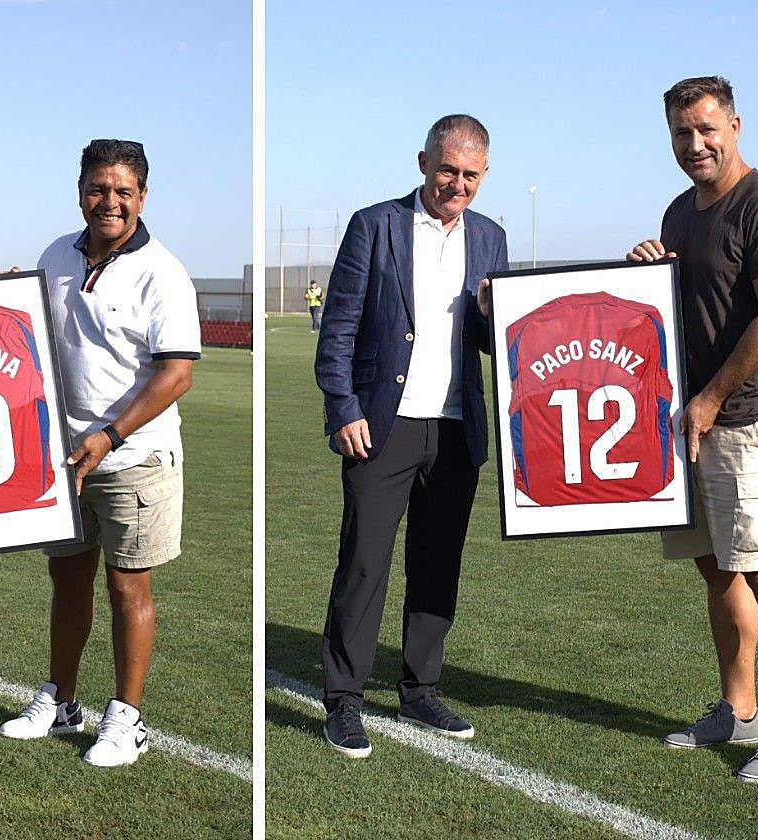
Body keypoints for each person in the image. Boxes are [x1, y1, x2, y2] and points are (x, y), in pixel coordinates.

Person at [628, 76, 758, 783]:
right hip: (695, 421)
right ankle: (741, 712)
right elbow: (681, 309)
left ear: (736, 125)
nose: (696, 144)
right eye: (682, 133)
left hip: (752, 417)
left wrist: (710, 400)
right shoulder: (680, 212)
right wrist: (648, 275)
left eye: (708, 129)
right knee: (718, 568)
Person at [0, 139, 201, 768]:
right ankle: (60, 700)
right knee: (66, 579)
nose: (109, 202)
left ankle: (127, 718)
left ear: (142, 195)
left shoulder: (162, 271)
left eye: (123, 192)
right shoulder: (56, 255)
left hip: (133, 456)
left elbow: (176, 374)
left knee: (126, 586)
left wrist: (109, 435)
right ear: (80, 189)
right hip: (65, 457)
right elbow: (26, 327)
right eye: (98, 189)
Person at [314, 114, 506, 758]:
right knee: (365, 562)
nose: (457, 184)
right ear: (423, 161)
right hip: (381, 425)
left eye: (470, 175)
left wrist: (487, 314)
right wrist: (343, 409)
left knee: (437, 563)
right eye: (447, 169)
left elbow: (491, 342)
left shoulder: (492, 238)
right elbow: (338, 328)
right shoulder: (375, 225)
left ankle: (421, 687)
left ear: (484, 175)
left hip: (456, 430)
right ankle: (344, 699)